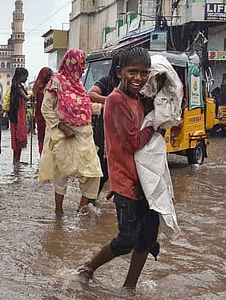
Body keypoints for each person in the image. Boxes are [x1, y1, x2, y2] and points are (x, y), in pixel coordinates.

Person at [77, 47, 160, 289]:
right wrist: (156, 127)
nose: (138, 78)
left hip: (147, 181)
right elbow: (133, 141)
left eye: (144, 73)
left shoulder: (139, 100)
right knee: (126, 240)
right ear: (119, 72)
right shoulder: (115, 100)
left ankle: (130, 288)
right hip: (126, 183)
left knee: (146, 239)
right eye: (132, 72)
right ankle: (87, 268)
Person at [38, 49, 103, 215]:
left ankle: (82, 208)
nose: (82, 68)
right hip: (64, 134)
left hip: (84, 134)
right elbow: (46, 108)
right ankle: (58, 212)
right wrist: (63, 127)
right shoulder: (56, 81)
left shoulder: (79, 85)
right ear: (71, 63)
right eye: (80, 64)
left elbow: (84, 107)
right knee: (62, 172)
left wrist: (105, 108)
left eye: (83, 65)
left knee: (93, 172)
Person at [88, 51, 122, 198]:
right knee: (103, 169)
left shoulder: (133, 85)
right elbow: (91, 94)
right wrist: (110, 100)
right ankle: (89, 200)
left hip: (125, 134)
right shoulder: (107, 82)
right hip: (106, 133)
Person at [8, 67, 31, 163]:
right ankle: (17, 160)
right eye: (26, 77)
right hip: (18, 114)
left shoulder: (15, 86)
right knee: (19, 136)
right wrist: (33, 94)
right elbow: (26, 98)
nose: (26, 79)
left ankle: (16, 160)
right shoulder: (18, 86)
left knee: (16, 137)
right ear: (21, 76)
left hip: (16, 114)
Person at [33, 67, 53, 155]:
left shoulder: (41, 86)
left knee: (44, 135)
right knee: (43, 136)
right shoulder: (41, 87)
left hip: (44, 115)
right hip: (42, 115)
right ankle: (43, 155)